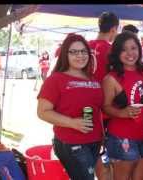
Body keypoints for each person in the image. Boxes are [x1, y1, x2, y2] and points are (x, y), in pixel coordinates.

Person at [37, 33, 104, 180]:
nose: (80, 55)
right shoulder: (55, 80)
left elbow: (97, 109)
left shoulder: (93, 79)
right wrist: (72, 123)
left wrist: (103, 136)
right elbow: (42, 112)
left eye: (83, 51)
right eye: (74, 52)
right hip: (71, 142)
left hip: (94, 140)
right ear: (65, 54)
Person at [102, 31, 143, 180]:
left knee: (140, 177)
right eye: (124, 49)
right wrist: (122, 113)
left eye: (133, 48)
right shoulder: (111, 78)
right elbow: (105, 106)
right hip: (121, 137)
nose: (130, 53)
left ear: (139, 49)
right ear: (117, 53)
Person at [88, 11, 119, 180]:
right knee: (104, 150)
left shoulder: (85, 45)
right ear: (114, 29)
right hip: (104, 110)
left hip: (85, 107)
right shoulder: (110, 49)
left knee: (90, 148)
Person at [88, 11, 119, 82]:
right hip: (102, 91)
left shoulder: (85, 45)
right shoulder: (112, 49)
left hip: (84, 89)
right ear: (113, 29)